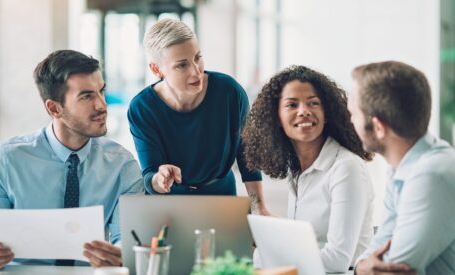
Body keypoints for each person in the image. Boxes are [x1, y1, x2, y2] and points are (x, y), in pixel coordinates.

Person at [0, 50, 144, 271]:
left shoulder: (122, 166)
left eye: (101, 91)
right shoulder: (7, 159)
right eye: (87, 96)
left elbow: (125, 237)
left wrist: (120, 253)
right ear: (54, 108)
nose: (102, 105)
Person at [127, 19, 271, 214]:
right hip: (170, 208)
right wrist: (159, 179)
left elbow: (248, 156)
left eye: (198, 57)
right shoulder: (142, 108)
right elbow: (150, 174)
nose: (196, 71)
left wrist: (259, 207)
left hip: (222, 198)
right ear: (156, 69)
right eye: (182, 65)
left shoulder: (229, 92)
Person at [241, 65, 374, 272]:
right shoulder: (296, 171)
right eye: (292, 105)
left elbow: (337, 259)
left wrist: (260, 255)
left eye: (313, 103)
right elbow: (307, 243)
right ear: (276, 117)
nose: (304, 111)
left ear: (326, 113)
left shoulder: (346, 168)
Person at [349, 61, 455, 275]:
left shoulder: (430, 175)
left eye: (354, 114)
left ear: (378, 127)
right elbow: (379, 246)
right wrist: (360, 268)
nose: (351, 121)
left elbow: (395, 268)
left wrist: (362, 269)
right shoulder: (404, 167)